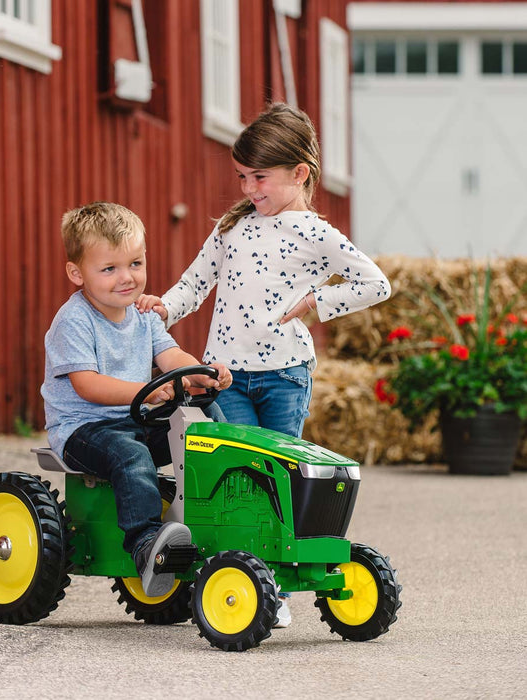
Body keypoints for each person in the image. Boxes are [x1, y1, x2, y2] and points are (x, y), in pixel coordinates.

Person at [136, 103, 391, 625]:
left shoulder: (316, 233)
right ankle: (240, 575)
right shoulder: (233, 227)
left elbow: (376, 283)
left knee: (283, 478)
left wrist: (319, 303)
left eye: (261, 177)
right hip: (224, 375)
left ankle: (275, 589)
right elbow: (195, 283)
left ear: (299, 173)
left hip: (285, 376)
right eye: (243, 177)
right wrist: (165, 303)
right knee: (240, 476)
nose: (250, 188)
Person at [41, 202, 232, 598]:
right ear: (77, 273)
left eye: (135, 264)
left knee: (206, 415)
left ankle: (218, 508)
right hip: (84, 429)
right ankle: (146, 546)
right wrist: (145, 392)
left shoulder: (143, 315)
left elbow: (171, 357)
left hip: (135, 418)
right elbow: (87, 385)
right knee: (129, 454)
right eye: (109, 269)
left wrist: (201, 372)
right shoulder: (74, 320)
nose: (127, 278)